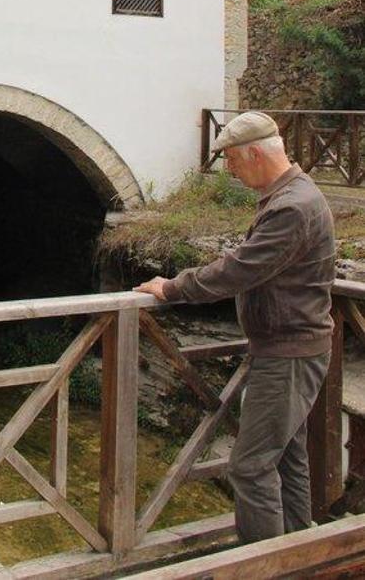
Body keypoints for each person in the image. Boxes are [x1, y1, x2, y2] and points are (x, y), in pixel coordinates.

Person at [135, 110, 336, 544]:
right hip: (293, 347)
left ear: (256, 153)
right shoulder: (293, 196)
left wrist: (172, 288)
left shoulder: (291, 207)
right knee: (285, 459)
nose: (228, 168)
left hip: (288, 353)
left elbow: (239, 270)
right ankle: (296, 553)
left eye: (231, 159)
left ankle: (263, 566)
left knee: (250, 465)